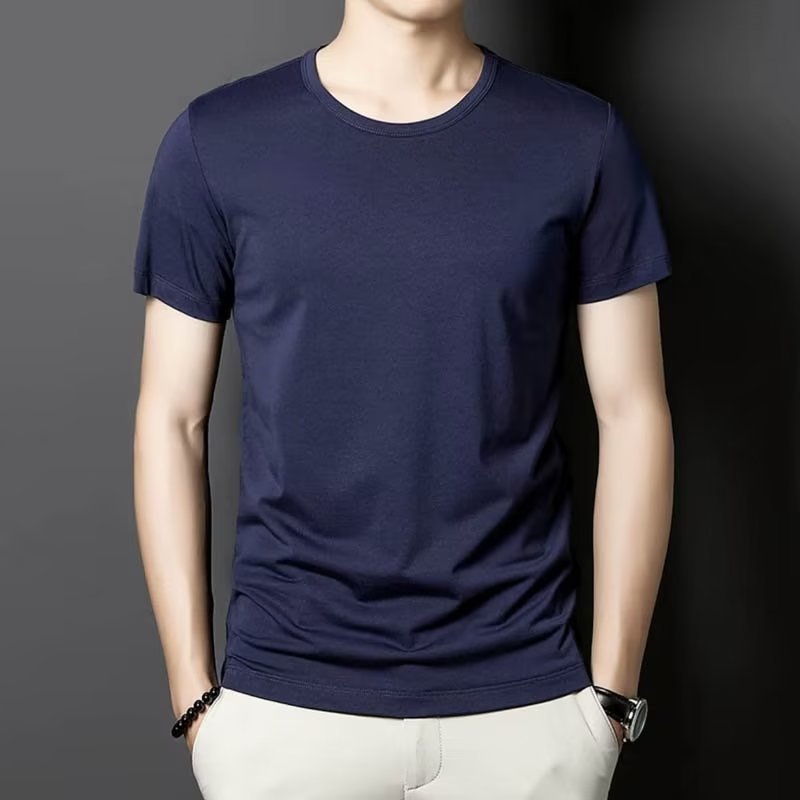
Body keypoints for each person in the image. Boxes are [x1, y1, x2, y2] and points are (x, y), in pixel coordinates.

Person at [131, 1, 674, 798]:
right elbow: (170, 418)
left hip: (527, 708)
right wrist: (194, 697)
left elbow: (633, 414)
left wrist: (613, 696)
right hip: (284, 708)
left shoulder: (581, 140)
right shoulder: (218, 140)